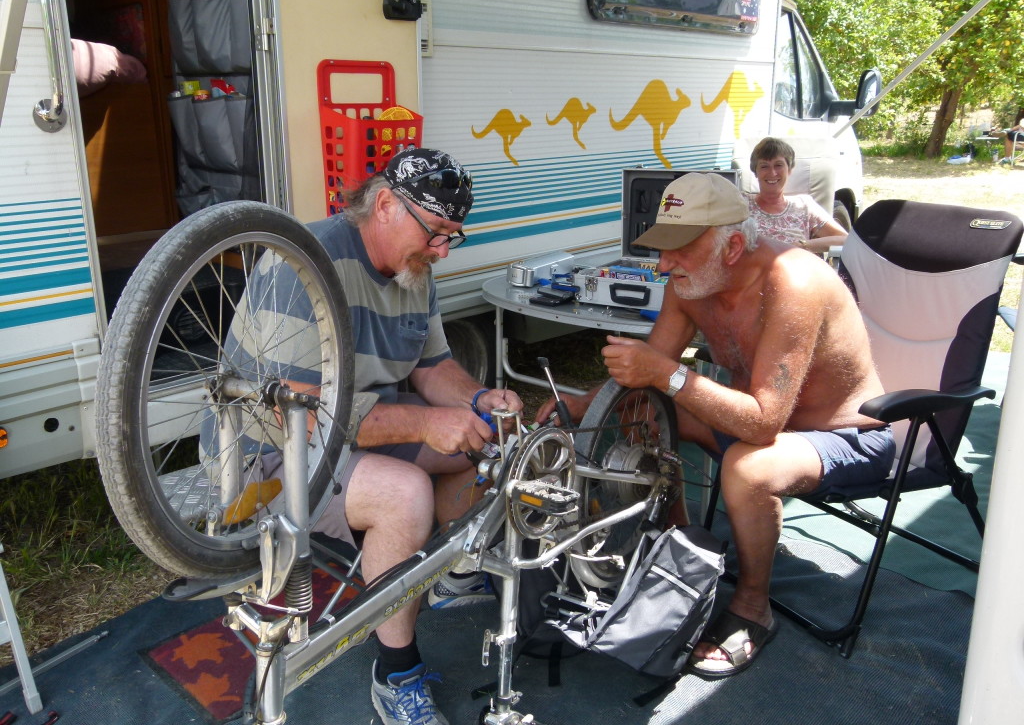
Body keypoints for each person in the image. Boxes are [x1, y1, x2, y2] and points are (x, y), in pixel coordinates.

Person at [536, 172, 894, 679]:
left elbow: (763, 423)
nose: (662, 265)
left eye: (678, 250)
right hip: (754, 424)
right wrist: (581, 404)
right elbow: (648, 373)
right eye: (661, 247)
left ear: (730, 247)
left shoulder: (795, 282)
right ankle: (680, 546)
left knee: (748, 466)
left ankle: (752, 606)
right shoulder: (692, 282)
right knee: (642, 411)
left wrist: (668, 374)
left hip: (845, 438)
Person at [239, 148, 521, 725]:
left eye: (453, 237)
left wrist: (476, 400)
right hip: (269, 452)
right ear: (386, 204)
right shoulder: (304, 262)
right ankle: (395, 673)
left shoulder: (415, 269)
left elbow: (432, 367)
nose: (443, 251)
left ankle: (442, 578)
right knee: (405, 492)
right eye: (437, 233)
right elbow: (303, 414)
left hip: (359, 431)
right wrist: (423, 423)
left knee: (481, 445)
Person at [746, 137, 847, 254]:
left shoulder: (804, 206)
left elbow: (844, 239)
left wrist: (803, 245)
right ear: (755, 172)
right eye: (764, 166)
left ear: (789, 170)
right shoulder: (741, 204)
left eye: (778, 165)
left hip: (795, 268)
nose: (772, 173)